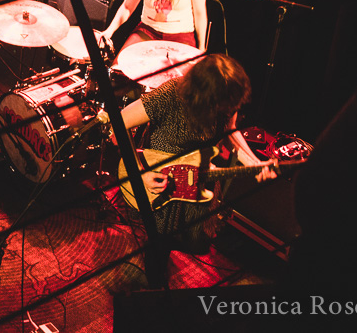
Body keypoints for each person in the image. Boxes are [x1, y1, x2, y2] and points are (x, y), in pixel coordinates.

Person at [114, 54, 274, 254]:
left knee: (198, 244)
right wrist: (140, 173)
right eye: (224, 105)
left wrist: (254, 162)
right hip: (165, 178)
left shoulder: (227, 100)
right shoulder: (172, 94)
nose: (229, 109)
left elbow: (230, 131)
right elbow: (119, 122)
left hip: (200, 177)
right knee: (158, 246)